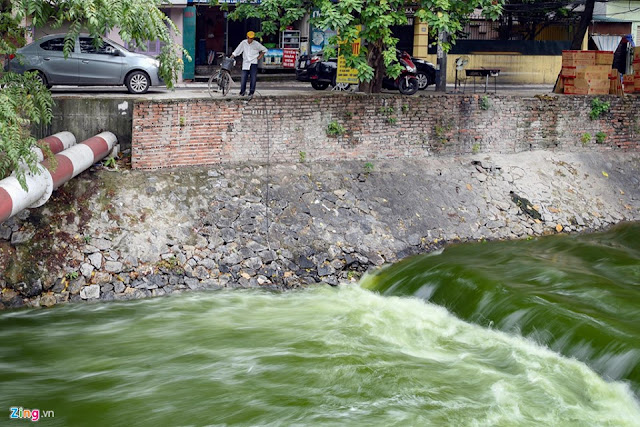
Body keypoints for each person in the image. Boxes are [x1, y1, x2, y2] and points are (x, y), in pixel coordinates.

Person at [231, 31, 267, 99]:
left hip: (253, 62)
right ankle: (242, 92)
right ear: (247, 37)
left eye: (252, 38)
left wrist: (260, 56)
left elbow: (264, 50)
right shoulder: (243, 43)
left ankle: (251, 92)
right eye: (250, 38)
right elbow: (237, 51)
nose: (251, 40)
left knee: (253, 78)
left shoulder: (256, 44)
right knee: (243, 78)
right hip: (246, 63)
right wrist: (231, 57)